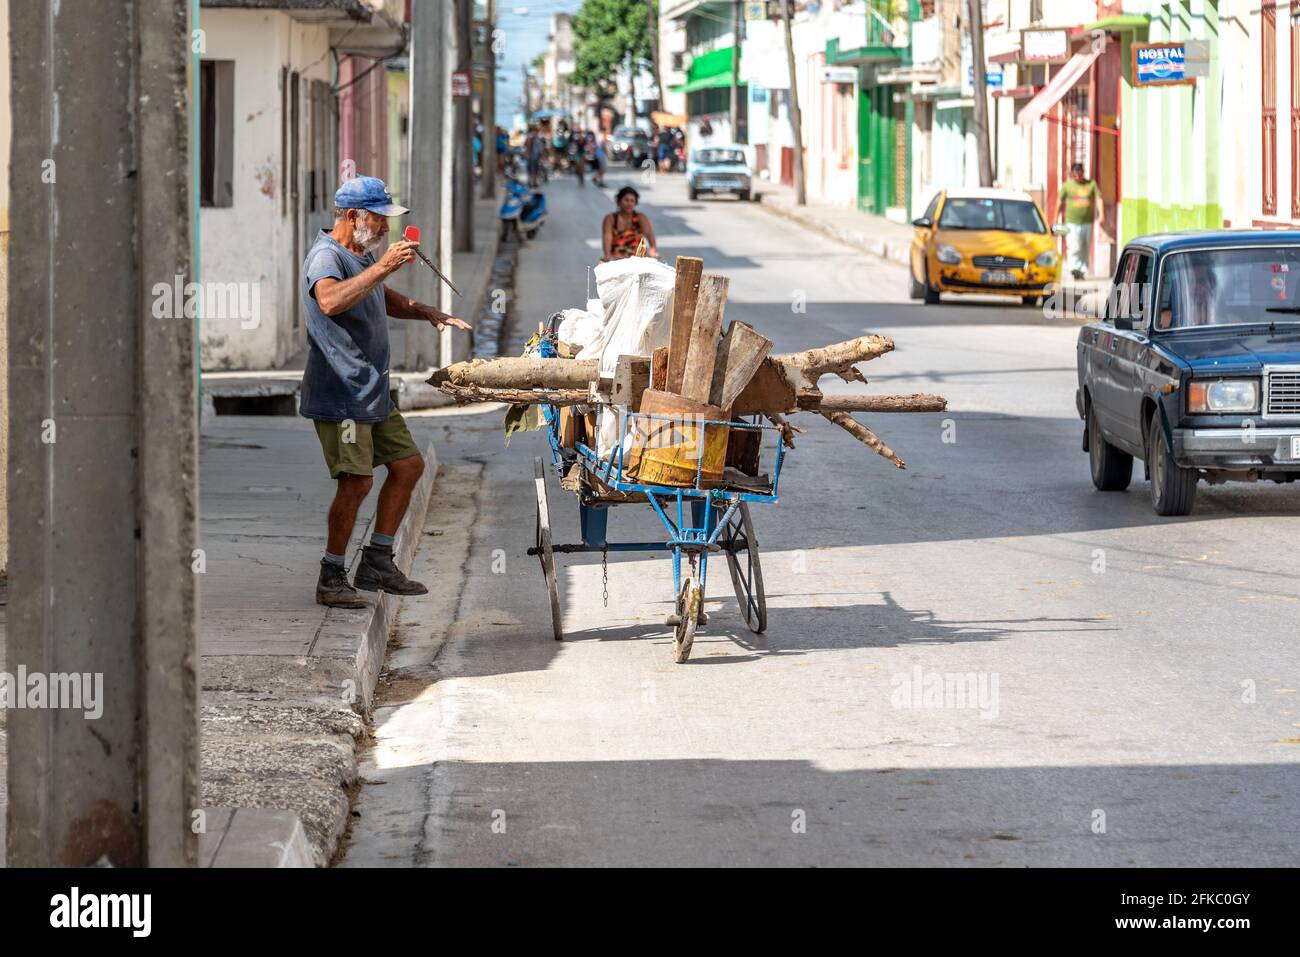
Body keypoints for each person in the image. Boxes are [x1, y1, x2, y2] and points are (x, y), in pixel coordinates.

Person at [301, 175, 472, 608]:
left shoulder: (358, 255)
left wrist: (426, 312)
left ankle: (377, 560)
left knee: (409, 466)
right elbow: (330, 301)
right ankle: (331, 573)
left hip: (371, 389)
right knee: (356, 482)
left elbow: (380, 296)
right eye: (379, 220)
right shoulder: (326, 257)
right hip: (342, 393)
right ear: (354, 216)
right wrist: (383, 267)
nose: (384, 230)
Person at [1056, 162, 1104, 281]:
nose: (1077, 174)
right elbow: (1059, 201)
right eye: (1075, 172)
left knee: (1085, 246)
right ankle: (1074, 268)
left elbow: (1098, 198)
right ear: (1072, 173)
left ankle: (1082, 270)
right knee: (1074, 245)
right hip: (1072, 222)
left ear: (1083, 172)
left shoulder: (1091, 184)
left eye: (1079, 172)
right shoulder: (1067, 186)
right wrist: (1056, 217)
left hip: (1087, 222)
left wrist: (1101, 214)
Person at [602, 186, 658, 260]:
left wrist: (653, 250)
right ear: (619, 201)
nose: (629, 203)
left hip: (637, 258)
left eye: (632, 201)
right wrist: (607, 254)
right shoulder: (610, 219)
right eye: (626, 200)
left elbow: (649, 234)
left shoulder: (641, 218)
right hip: (617, 258)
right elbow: (607, 237)